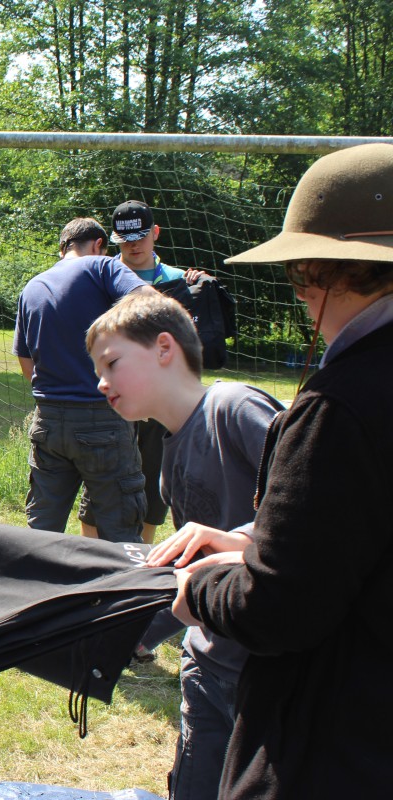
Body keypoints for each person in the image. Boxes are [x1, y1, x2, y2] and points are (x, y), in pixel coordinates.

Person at [151, 142, 393, 799]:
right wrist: (260, 543)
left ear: (316, 274)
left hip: (340, 746)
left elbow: (280, 609)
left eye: (299, 278)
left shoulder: (341, 407)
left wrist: (203, 587)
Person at [86, 292, 282, 800]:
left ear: (164, 348)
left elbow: (316, 505)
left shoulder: (233, 407)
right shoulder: (170, 456)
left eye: (111, 363)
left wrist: (242, 537)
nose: (100, 382)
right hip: (206, 665)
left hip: (266, 672)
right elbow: (186, 573)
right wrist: (133, 634)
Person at [11, 217, 153, 543]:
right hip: (103, 418)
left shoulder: (32, 287)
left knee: (41, 530)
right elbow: (150, 302)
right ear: (99, 244)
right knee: (121, 530)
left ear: (62, 248)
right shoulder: (103, 267)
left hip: (47, 421)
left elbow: (25, 360)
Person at [81, 201, 208, 544]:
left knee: (153, 471)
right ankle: (89, 551)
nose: (134, 245)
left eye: (140, 237)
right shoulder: (100, 277)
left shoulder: (178, 281)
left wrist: (196, 286)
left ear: (156, 233)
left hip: (161, 396)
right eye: (125, 240)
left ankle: (144, 551)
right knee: (104, 473)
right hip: (113, 395)